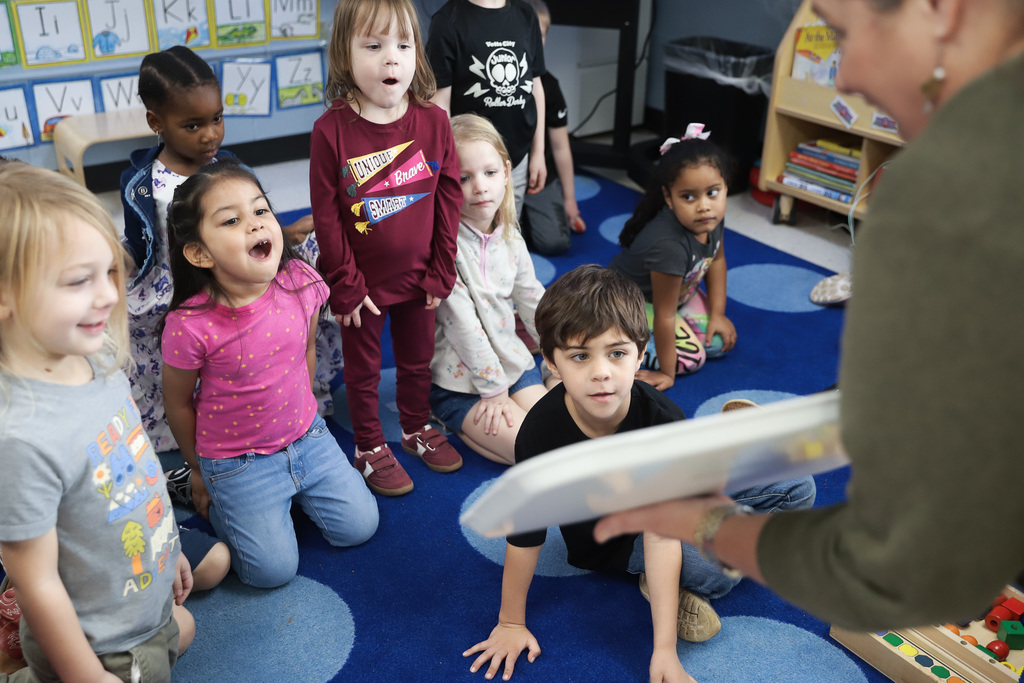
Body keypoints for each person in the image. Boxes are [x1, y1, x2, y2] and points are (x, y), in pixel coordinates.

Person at [594, 0, 1024, 632]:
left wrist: (709, 527)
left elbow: (897, 573)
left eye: (844, 34)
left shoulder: (947, 198)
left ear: (942, 12)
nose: (845, 74)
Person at [464, 265, 815, 683]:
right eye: (580, 356)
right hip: (612, 541)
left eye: (617, 353)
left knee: (799, 486)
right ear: (552, 363)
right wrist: (510, 623)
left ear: (640, 351)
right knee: (711, 569)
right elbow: (524, 535)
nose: (601, 372)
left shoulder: (662, 418)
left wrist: (666, 649)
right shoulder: (539, 434)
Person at [0, 163, 194, 682]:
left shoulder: (97, 358)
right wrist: (86, 674)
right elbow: (36, 583)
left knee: (185, 628)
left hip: (138, 604)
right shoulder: (20, 438)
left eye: (109, 271)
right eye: (78, 281)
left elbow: (139, 463)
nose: (109, 296)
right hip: (101, 645)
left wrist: (169, 546)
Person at [160, 161, 379, 589]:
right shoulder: (190, 324)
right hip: (237, 462)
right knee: (271, 573)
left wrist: (309, 412)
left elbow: (308, 348)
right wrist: (199, 469)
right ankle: (194, 488)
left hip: (306, 436)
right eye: (231, 220)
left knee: (360, 527)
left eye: (260, 211)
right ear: (200, 253)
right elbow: (178, 402)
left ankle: (282, 499)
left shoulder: (301, 281)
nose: (255, 225)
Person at [121, 45, 343, 456]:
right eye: (192, 125)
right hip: (179, 283)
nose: (210, 135)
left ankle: (290, 401)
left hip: (240, 274)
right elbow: (139, 242)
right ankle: (188, 432)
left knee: (308, 285)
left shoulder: (233, 169)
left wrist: (289, 232)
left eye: (217, 118)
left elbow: (258, 221)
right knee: (151, 340)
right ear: (156, 121)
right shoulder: (141, 184)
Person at [310, 0, 464, 496]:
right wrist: (346, 285)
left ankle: (416, 426)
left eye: (403, 45)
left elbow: (449, 197)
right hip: (363, 286)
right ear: (345, 55)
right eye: (373, 46)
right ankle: (369, 446)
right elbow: (328, 217)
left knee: (418, 361)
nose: (391, 59)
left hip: (422, 279)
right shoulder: (329, 132)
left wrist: (443, 268)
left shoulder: (435, 123)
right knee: (364, 370)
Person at [429, 114, 547, 466]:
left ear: (507, 172)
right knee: (535, 452)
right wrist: (494, 391)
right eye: (464, 178)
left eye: (490, 173)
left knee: (563, 431)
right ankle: (451, 419)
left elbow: (533, 300)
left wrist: (558, 351)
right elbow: (461, 324)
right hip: (462, 383)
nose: (479, 186)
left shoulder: (510, 235)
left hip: (514, 365)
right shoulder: (443, 246)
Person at [608, 126, 737, 391]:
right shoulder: (669, 246)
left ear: (726, 187)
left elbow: (718, 262)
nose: (704, 206)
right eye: (688, 197)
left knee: (716, 342)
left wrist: (718, 314)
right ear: (668, 197)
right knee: (693, 358)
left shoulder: (712, 219)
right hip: (633, 303)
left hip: (676, 293)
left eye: (713, 192)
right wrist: (667, 373)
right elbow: (664, 316)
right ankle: (620, 344)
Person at [426, 0, 547, 215]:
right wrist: (447, 161)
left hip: (517, 156)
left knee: (509, 228)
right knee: (468, 232)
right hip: (469, 163)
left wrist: (538, 152)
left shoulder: (527, 15)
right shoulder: (446, 22)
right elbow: (439, 103)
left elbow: (535, 86)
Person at [518, 0, 586, 256]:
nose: (531, 42)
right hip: (498, 178)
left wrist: (570, 200)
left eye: (539, 35)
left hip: (540, 179)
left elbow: (560, 146)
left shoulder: (551, 86)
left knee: (555, 242)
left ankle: (536, 212)